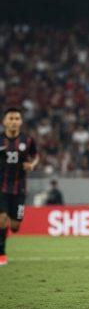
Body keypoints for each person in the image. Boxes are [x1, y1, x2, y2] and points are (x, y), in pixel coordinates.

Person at [0, 107, 39, 266]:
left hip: (19, 188)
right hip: (1, 187)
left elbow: (35, 156)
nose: (14, 121)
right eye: (11, 118)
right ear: (4, 121)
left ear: (21, 121)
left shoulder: (27, 140)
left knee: (15, 226)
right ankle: (1, 253)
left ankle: (5, 230)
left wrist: (32, 164)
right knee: (2, 219)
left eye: (17, 118)